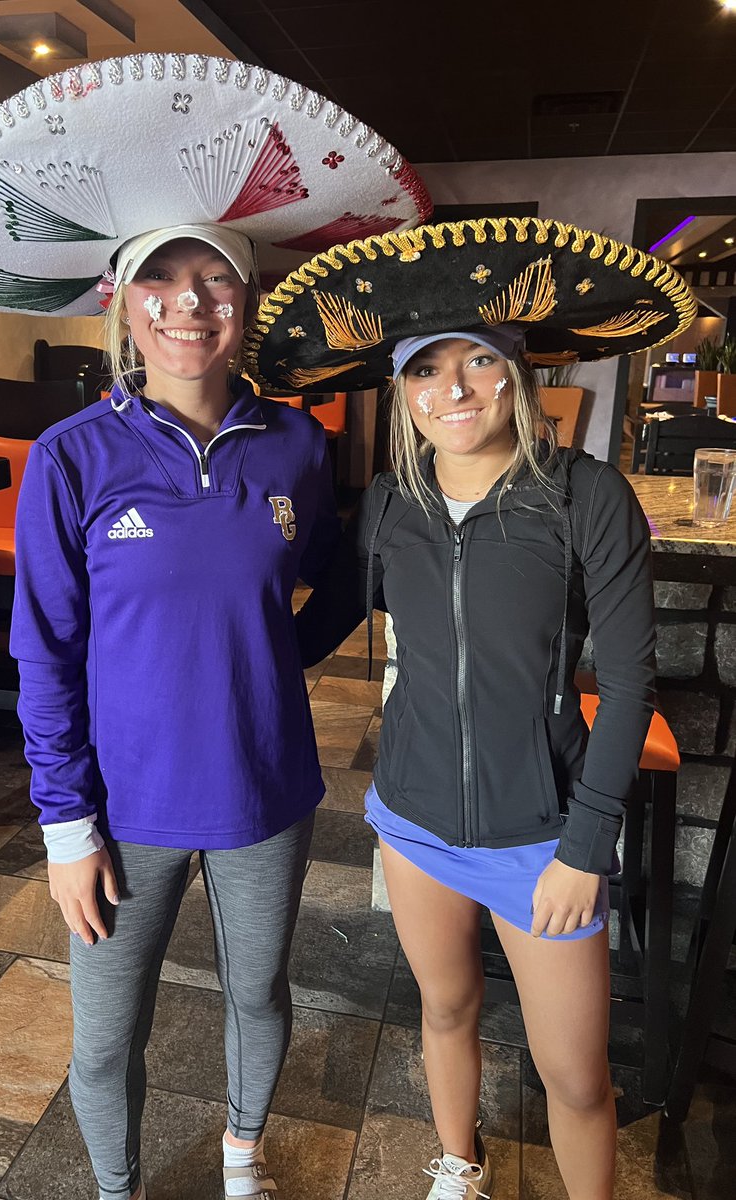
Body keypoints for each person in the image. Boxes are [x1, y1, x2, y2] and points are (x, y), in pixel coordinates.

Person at [0, 53, 431, 1200]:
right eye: (163, 282)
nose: (190, 304)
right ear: (122, 304)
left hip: (264, 788)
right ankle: (120, 1188)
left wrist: (269, 665)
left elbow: (335, 582)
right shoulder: (73, 459)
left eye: (217, 282)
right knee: (106, 1035)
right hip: (121, 803)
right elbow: (42, 651)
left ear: (246, 305)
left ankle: (243, 1163)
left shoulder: (295, 442)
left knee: (258, 992)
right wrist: (62, 826)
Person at [245, 217, 697, 1200]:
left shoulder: (586, 498)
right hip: (411, 820)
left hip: (542, 837)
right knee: (444, 1011)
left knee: (575, 1076)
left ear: (517, 373)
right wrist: (216, 656)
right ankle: (459, 1164)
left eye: (476, 363)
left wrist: (586, 845)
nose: (450, 391)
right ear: (400, 391)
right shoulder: (392, 503)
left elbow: (627, 685)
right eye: (423, 371)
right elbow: (318, 627)